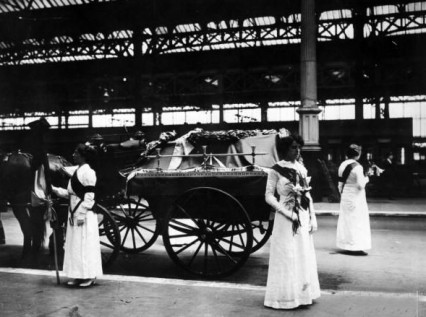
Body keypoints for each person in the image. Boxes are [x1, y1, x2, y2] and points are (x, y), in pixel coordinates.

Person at [264, 132, 320, 310]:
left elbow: (307, 194)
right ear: (284, 150)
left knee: (302, 253)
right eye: (293, 147)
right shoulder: (276, 169)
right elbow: (268, 196)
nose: (297, 150)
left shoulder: (302, 168)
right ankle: (285, 297)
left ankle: (303, 295)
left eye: (299, 147)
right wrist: (286, 213)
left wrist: (313, 217)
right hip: (285, 218)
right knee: (287, 255)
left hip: (302, 215)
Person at [52, 144, 102, 287]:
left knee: (85, 244)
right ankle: (78, 275)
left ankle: (89, 276)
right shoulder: (77, 171)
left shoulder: (89, 172)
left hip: (83, 213)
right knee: (75, 245)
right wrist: (54, 189)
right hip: (73, 211)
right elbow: (69, 193)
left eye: (76, 153)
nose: (73, 155)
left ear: (83, 156)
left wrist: (82, 213)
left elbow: (90, 195)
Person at [336, 144, 371, 255]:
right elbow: (361, 185)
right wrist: (367, 178)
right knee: (357, 220)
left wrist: (343, 193)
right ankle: (356, 246)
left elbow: (340, 183)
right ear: (358, 154)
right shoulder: (358, 167)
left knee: (346, 220)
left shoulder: (342, 165)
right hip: (356, 196)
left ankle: (346, 244)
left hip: (346, 194)